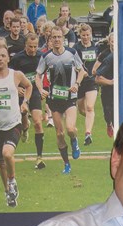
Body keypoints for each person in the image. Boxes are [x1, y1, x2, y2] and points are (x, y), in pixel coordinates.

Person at [35, 26, 86, 174]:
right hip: (54, 99)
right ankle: (66, 164)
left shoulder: (71, 53)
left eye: (59, 37)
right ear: (50, 39)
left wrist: (76, 84)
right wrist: (40, 89)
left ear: (63, 38)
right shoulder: (46, 56)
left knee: (70, 129)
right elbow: (38, 75)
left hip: (70, 98)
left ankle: (74, 141)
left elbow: (82, 71)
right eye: (54, 37)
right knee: (59, 133)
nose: (57, 40)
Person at [0, 44, 32, 207]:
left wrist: (25, 102)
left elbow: (29, 86)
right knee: (1, 163)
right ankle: (8, 191)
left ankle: (12, 181)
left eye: (3, 56)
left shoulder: (16, 75)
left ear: (8, 58)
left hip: (13, 123)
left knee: (7, 154)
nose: (0, 59)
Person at [10, 32, 46, 168]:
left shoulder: (41, 56)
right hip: (21, 92)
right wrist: (17, 88)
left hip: (35, 91)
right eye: (30, 46)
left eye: (35, 46)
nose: (33, 49)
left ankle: (39, 158)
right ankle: (25, 128)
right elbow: (10, 76)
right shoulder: (17, 59)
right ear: (25, 45)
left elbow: (44, 75)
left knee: (38, 122)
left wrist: (42, 89)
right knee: (23, 120)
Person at [74, 23, 98, 145]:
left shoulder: (96, 47)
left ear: (91, 34)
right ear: (80, 35)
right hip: (80, 81)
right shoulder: (76, 48)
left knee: (90, 107)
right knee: (82, 110)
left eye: (88, 35)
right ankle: (90, 117)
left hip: (92, 81)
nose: (86, 37)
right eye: (83, 35)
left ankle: (88, 134)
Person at [93, 32, 114, 138]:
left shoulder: (122, 53)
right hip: (106, 86)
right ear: (109, 42)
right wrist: (109, 80)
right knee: (107, 111)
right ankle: (108, 124)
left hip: (116, 89)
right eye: (112, 41)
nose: (114, 44)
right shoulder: (106, 55)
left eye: (116, 41)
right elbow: (94, 71)